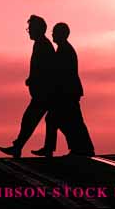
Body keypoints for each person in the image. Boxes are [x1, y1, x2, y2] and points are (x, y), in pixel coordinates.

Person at [31, 22, 95, 157]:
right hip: (67, 92)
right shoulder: (64, 49)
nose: (52, 34)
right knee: (66, 120)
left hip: (67, 93)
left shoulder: (65, 50)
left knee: (67, 120)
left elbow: (61, 73)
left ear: (61, 34)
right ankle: (79, 148)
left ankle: (81, 148)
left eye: (55, 32)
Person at [0, 15, 55, 158]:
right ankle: (23, 147)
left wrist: (34, 80)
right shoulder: (41, 44)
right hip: (42, 92)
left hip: (44, 93)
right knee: (36, 120)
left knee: (31, 120)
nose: (29, 31)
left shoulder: (43, 45)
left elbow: (45, 70)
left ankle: (19, 147)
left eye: (30, 29)